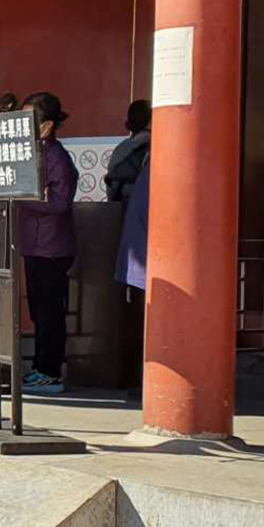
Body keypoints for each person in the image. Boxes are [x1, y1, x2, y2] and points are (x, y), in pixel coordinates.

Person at [18, 91, 78, 395]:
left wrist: (23, 197)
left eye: (30, 121)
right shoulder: (37, 152)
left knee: (49, 311)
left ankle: (50, 371)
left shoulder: (56, 157)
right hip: (36, 244)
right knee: (39, 310)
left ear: (47, 126)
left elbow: (59, 203)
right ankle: (41, 368)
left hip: (52, 246)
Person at [115, 156, 149, 400]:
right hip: (151, 261)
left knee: (138, 326)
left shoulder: (145, 167)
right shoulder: (162, 169)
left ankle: (137, 381)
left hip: (137, 260)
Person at [105, 99, 151, 206]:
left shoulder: (121, 148)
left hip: (121, 209)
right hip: (144, 209)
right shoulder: (156, 147)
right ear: (150, 122)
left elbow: (111, 187)